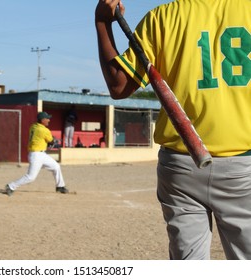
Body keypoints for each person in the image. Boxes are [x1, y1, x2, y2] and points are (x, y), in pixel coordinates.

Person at [95, 0, 251, 260]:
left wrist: (102, 23)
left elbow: (119, 86)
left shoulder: (162, 17)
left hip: (180, 166)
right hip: (242, 164)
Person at [5, 112, 69, 196]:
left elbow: (44, 138)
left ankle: (60, 186)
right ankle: (10, 186)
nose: (49, 120)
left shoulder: (34, 126)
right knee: (31, 177)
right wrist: (54, 141)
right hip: (36, 155)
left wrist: (50, 141)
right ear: (42, 120)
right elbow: (51, 141)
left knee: (56, 166)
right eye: (47, 119)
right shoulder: (43, 130)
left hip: (41, 154)